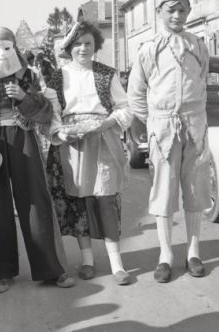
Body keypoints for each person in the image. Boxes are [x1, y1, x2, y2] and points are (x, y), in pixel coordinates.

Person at [0, 27, 74, 294]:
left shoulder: (30, 76)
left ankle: (51, 268)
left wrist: (24, 97)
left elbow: (45, 113)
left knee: (36, 200)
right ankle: (1, 272)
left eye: (7, 48)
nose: (2, 53)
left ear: (14, 48)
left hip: (24, 138)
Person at [127, 0, 211, 283]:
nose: (177, 15)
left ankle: (193, 252)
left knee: (195, 187)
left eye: (182, 10)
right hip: (162, 129)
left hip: (195, 126)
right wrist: (154, 122)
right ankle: (165, 255)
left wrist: (193, 115)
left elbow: (201, 81)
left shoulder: (197, 46)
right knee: (164, 190)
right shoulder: (149, 49)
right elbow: (136, 94)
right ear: (159, 11)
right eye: (171, 10)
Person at [46, 15, 133, 285]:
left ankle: (117, 264)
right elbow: (52, 115)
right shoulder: (58, 76)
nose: (83, 48)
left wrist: (106, 123)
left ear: (96, 46)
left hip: (103, 139)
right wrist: (61, 132)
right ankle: (87, 261)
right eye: (78, 44)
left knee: (106, 199)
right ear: (69, 47)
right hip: (72, 144)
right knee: (79, 202)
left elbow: (125, 109)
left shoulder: (107, 74)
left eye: (88, 43)